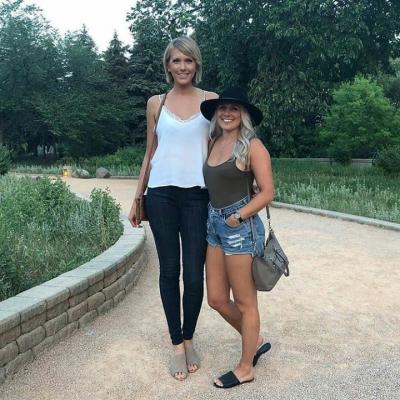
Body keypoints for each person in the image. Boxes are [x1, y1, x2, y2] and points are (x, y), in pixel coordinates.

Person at [128, 36, 218, 381]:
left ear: (197, 64)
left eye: (188, 60)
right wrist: (138, 197)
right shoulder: (156, 102)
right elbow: (149, 153)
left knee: (194, 275)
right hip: (161, 195)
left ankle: (190, 336)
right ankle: (177, 344)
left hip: (198, 196)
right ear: (168, 65)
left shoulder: (211, 100)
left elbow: (221, 148)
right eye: (177, 61)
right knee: (169, 271)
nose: (183, 67)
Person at [200, 87, 274, 388]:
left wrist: (239, 216)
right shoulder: (214, 142)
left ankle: (246, 368)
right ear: (216, 113)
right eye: (223, 108)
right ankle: (254, 339)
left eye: (234, 108)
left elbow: (268, 192)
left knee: (245, 302)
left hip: (239, 228)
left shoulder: (252, 146)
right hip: (214, 225)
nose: (227, 113)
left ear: (243, 115)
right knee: (217, 299)